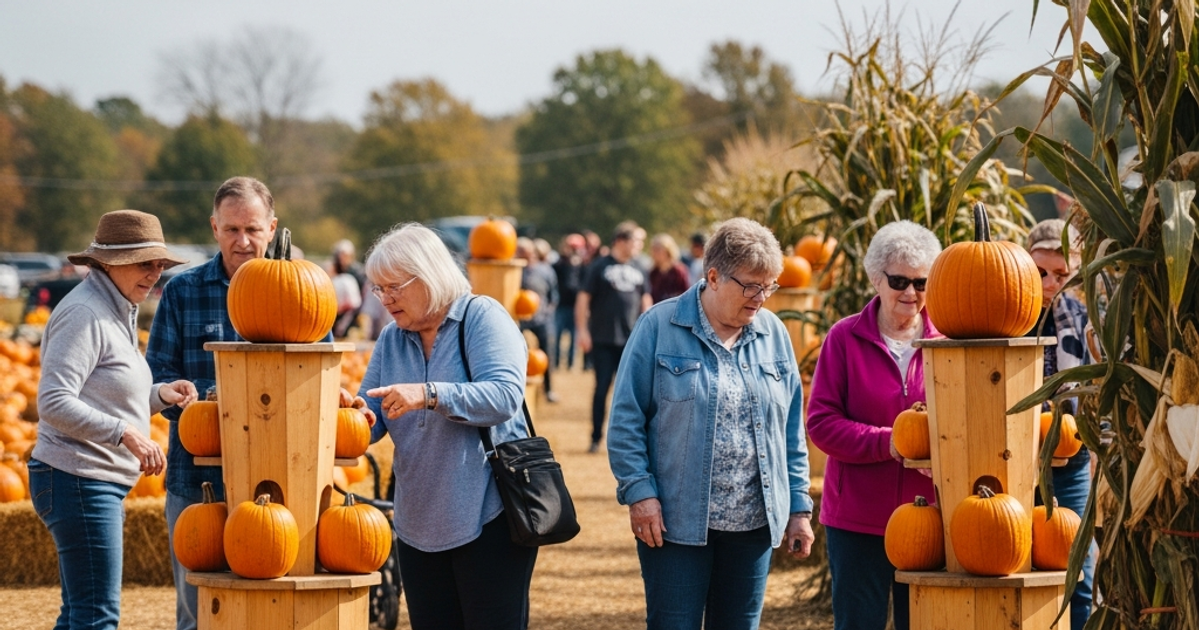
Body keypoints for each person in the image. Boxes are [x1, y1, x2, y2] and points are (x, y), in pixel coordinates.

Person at [607, 217, 816, 630]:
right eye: (751, 286)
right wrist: (640, 494)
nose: (760, 298)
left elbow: (790, 432)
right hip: (675, 525)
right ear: (714, 276)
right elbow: (626, 421)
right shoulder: (658, 327)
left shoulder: (773, 334)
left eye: (768, 286)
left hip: (753, 527)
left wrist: (798, 507)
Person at [359, 223, 537, 630]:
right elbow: (372, 416)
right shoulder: (391, 338)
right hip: (417, 521)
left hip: (488, 516)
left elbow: (503, 397)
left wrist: (429, 394)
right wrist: (351, 413)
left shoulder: (482, 318)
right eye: (378, 289)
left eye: (393, 287)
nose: (384, 299)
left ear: (427, 275)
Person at [31, 210, 198, 630]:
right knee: (96, 617)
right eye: (146, 263)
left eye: (159, 264)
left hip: (88, 479)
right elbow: (53, 400)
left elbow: (109, 393)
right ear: (110, 262)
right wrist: (124, 433)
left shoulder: (116, 308)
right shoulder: (85, 314)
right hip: (77, 478)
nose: (155, 273)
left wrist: (161, 395)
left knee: (78, 615)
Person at [146, 176, 283, 630]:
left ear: (272, 227)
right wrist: (182, 396)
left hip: (275, 480)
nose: (242, 241)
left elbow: (319, 374)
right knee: (199, 610)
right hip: (197, 481)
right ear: (214, 228)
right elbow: (157, 375)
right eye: (231, 230)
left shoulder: (299, 292)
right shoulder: (183, 292)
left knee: (268, 610)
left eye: (253, 229)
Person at [805, 220, 942, 630]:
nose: (911, 293)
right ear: (876, 279)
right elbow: (822, 424)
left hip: (928, 518)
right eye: (899, 280)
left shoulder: (948, 344)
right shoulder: (843, 338)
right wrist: (890, 444)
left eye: (921, 283)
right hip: (857, 519)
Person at [1025, 218, 1094, 630]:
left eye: (1061, 274)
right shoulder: (1002, 314)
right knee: (1016, 564)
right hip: (1014, 459)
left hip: (1069, 461)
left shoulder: (1085, 321)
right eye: (1040, 273)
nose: (1050, 283)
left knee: (1078, 569)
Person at [576, 221, 652, 453]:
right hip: (602, 339)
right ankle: (596, 437)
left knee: (633, 393)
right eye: (636, 241)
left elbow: (646, 300)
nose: (639, 246)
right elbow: (583, 299)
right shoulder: (599, 266)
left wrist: (648, 332)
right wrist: (582, 330)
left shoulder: (640, 267)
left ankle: (630, 442)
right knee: (601, 390)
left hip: (631, 340)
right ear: (621, 240)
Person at [516, 237, 559, 402]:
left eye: (526, 253)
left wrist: (548, 312)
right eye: (520, 253)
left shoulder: (546, 271)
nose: (524, 256)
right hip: (520, 321)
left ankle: (548, 389)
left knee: (546, 355)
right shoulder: (515, 271)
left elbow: (553, 296)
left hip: (542, 320)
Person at [552, 234, 586, 370]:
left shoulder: (583, 266)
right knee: (558, 335)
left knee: (573, 336)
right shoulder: (560, 263)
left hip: (575, 306)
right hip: (561, 305)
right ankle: (556, 362)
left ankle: (571, 363)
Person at [647, 233, 691, 303]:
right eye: (654, 249)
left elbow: (686, 293)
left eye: (658, 249)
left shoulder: (679, 271)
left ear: (668, 250)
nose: (655, 252)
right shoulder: (653, 273)